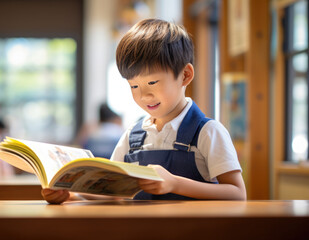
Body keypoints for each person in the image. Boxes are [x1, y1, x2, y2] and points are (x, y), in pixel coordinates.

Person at [42, 18, 246, 204]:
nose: (143, 95)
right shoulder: (132, 136)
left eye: (152, 82)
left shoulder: (208, 132)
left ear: (185, 75)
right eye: (134, 86)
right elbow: (112, 189)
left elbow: (237, 194)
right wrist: (71, 194)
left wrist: (175, 183)